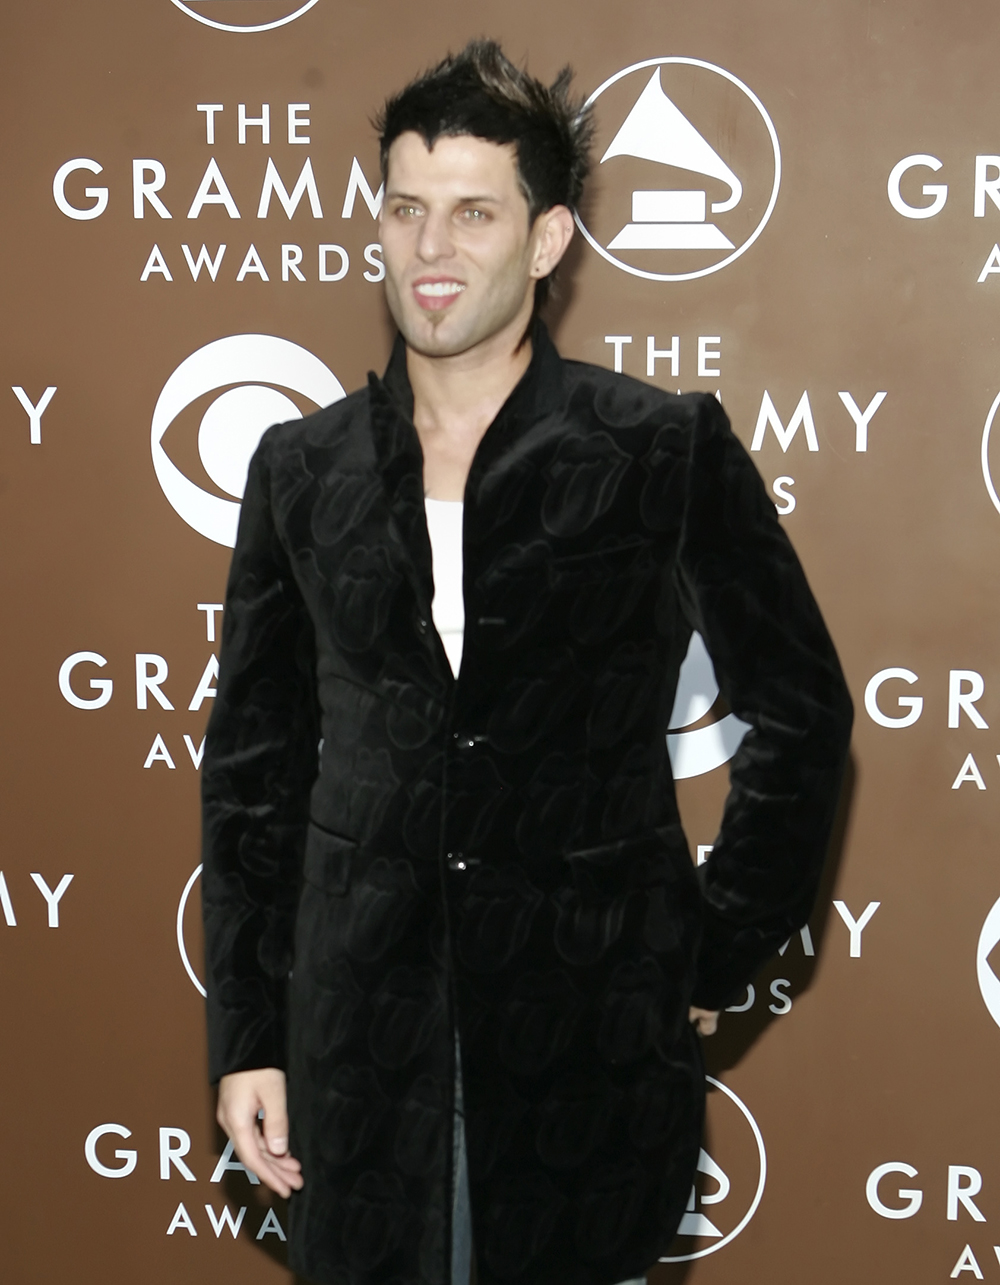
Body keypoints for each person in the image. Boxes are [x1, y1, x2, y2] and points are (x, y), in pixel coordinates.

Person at [201, 39, 853, 1285]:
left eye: (472, 214)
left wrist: (713, 949)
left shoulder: (657, 449)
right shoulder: (301, 466)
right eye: (405, 209)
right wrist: (246, 1031)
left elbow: (805, 714)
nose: (429, 249)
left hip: (586, 1039)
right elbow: (253, 771)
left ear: (546, 240)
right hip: (357, 1040)